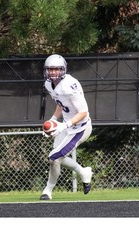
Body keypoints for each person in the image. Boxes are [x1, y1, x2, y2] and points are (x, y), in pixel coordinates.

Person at [40, 54, 93, 200]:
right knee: (57, 158)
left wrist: (64, 125)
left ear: (63, 69)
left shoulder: (70, 85)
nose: (53, 72)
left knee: (54, 158)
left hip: (80, 129)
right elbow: (61, 103)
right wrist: (53, 120)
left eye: (57, 69)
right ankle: (83, 172)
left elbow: (83, 112)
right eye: (50, 69)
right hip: (67, 126)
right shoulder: (48, 84)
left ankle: (48, 190)